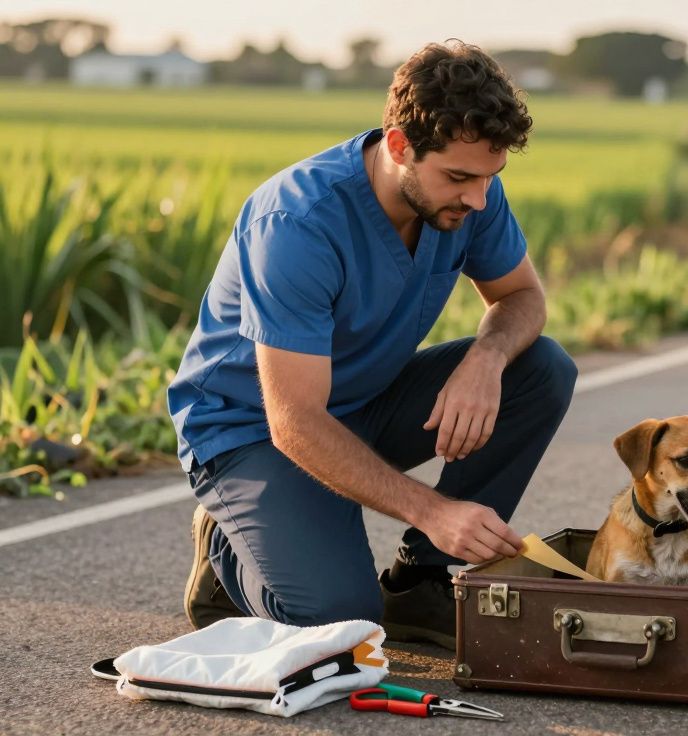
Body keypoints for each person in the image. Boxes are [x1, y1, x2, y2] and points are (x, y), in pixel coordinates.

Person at [169, 41, 577, 648]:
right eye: (460, 178)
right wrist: (434, 512)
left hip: (361, 404)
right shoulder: (296, 224)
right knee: (343, 626)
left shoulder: (471, 195)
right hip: (252, 433)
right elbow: (296, 424)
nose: (478, 198)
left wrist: (485, 360)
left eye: (490, 178)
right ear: (398, 147)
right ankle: (229, 555)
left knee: (539, 367)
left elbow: (523, 299)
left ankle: (420, 582)